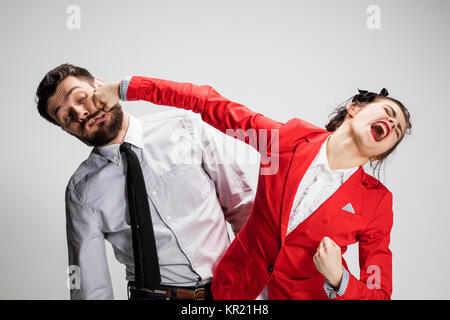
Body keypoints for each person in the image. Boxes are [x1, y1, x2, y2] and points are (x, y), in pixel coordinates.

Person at [94, 75, 411, 300]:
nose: (393, 124)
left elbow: (378, 293)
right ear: (355, 107)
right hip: (233, 292)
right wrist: (125, 88)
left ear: (382, 151)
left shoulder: (376, 202)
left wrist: (339, 280)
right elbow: (208, 103)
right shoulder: (285, 142)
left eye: (398, 130)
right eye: (389, 112)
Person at [34, 64, 254, 300]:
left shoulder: (184, 128)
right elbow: (90, 284)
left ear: (100, 87)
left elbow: (243, 208)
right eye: (67, 116)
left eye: (81, 98)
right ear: (67, 130)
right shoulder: (81, 191)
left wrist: (258, 281)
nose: (80, 113)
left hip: (232, 290)